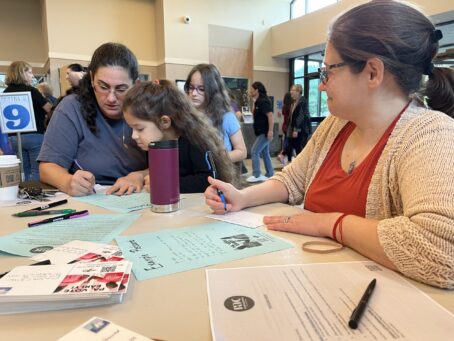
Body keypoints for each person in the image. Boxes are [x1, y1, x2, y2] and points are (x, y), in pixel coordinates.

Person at [205, 1, 454, 289]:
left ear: (373, 72)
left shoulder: (430, 134)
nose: (321, 85)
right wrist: (242, 198)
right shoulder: (337, 125)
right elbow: (292, 180)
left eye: (327, 72)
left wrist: (328, 224)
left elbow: (441, 251)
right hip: (314, 283)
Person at [38, 42, 148, 196]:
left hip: (140, 196)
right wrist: (67, 182)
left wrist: (139, 175)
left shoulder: (148, 109)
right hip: (91, 198)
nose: (111, 98)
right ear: (91, 79)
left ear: (135, 84)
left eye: (121, 89)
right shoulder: (71, 108)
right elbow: (47, 168)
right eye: (103, 87)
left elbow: (168, 162)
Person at [122, 80, 237, 193]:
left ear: (165, 122)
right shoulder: (154, 143)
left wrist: (166, 185)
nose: (134, 136)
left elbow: (210, 179)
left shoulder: (195, 140)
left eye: (140, 129)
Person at [185, 64, 247, 164]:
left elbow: (241, 152)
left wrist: (213, 160)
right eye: (191, 88)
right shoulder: (187, 116)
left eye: (201, 89)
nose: (194, 93)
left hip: (219, 175)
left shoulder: (227, 117)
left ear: (212, 90)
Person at [4, 61, 52, 181]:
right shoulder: (31, 90)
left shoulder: (5, 93)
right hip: (34, 135)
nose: (32, 75)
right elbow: (49, 109)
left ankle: (25, 194)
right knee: (37, 170)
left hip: (14, 138)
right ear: (21, 73)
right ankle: (36, 194)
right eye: (29, 72)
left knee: (22, 171)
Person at [246, 81, 274, 183]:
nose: (250, 91)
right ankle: (270, 173)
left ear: (257, 90)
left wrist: (270, 131)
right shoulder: (258, 101)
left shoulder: (262, 101)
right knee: (265, 152)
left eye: (252, 90)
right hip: (262, 132)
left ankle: (257, 174)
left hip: (264, 132)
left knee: (254, 151)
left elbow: (270, 115)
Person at [284, 84, 311, 162]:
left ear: (298, 91)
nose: (290, 92)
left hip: (302, 130)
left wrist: (296, 129)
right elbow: (292, 117)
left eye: (293, 90)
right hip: (295, 129)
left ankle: (301, 167)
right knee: (293, 146)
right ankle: (291, 162)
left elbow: (301, 116)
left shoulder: (303, 101)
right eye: (291, 90)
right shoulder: (294, 102)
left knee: (299, 149)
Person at [276, 92, 293, 165]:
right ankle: (282, 154)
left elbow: (283, 115)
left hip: (285, 126)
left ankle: (285, 156)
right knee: (290, 143)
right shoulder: (291, 107)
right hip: (289, 127)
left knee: (287, 141)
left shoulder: (284, 107)